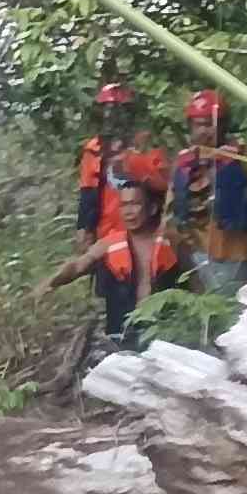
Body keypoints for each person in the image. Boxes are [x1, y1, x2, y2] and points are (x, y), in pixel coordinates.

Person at [46, 81, 171, 346]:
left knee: (149, 284)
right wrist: (84, 227)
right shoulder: (94, 148)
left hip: (144, 229)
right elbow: (88, 190)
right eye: (107, 110)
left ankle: (154, 337)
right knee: (113, 286)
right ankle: (118, 340)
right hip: (108, 232)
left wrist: (132, 163)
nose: (111, 117)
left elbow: (163, 186)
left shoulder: (147, 145)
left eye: (118, 110)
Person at [167, 90, 247, 295]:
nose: (208, 130)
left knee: (230, 308)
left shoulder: (246, 158)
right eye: (201, 124)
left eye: (213, 123)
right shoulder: (183, 162)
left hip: (234, 251)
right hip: (194, 253)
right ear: (190, 126)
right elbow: (170, 213)